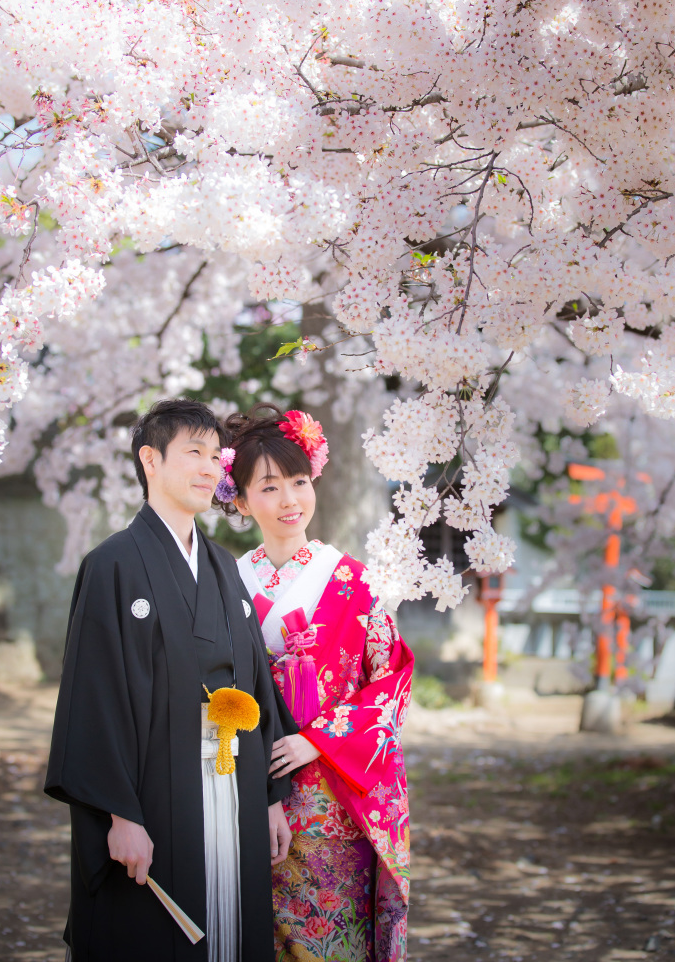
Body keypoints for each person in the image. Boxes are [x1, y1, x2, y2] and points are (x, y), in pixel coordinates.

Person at [45, 398, 296, 962]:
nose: (210, 468)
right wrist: (121, 814)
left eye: (215, 455)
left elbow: (256, 683)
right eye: (194, 453)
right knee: (155, 935)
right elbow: (95, 699)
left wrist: (270, 801)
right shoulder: (112, 564)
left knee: (229, 929)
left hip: (233, 779)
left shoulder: (224, 565)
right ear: (150, 460)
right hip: (152, 789)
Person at [219, 404, 414, 962]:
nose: (290, 500)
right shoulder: (227, 582)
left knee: (328, 937)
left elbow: (391, 684)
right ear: (240, 500)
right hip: (246, 785)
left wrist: (320, 739)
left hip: (332, 797)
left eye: (299, 482)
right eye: (270, 487)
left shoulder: (354, 582)